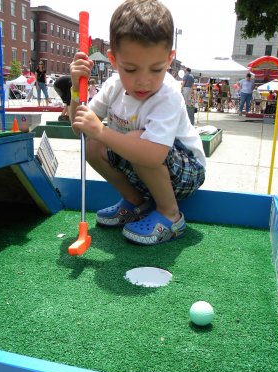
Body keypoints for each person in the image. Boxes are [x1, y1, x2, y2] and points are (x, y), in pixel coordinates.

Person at [69, 0, 206, 246]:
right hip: (148, 163)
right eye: (130, 69)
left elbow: (153, 155)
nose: (144, 81)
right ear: (113, 59)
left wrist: (101, 131)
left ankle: (171, 215)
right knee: (92, 145)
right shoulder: (114, 86)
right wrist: (75, 88)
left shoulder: (169, 94)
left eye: (156, 69)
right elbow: (79, 128)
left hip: (187, 172)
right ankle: (137, 204)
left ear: (170, 58)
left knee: (132, 140)